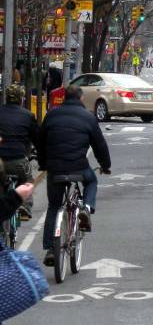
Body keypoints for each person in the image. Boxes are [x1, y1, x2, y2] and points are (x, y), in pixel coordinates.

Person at [38, 85, 111, 266]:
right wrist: (105, 165)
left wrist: (43, 164)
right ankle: (86, 208)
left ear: (64, 97)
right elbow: (99, 145)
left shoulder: (51, 115)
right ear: (80, 99)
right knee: (91, 180)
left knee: (54, 206)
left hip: (55, 169)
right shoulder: (88, 117)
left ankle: (50, 248)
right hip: (78, 168)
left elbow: (40, 143)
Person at [0, 84, 39, 220]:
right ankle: (25, 206)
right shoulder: (27, 115)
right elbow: (37, 138)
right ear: (21, 99)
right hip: (18, 160)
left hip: (0, 162)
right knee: (27, 180)